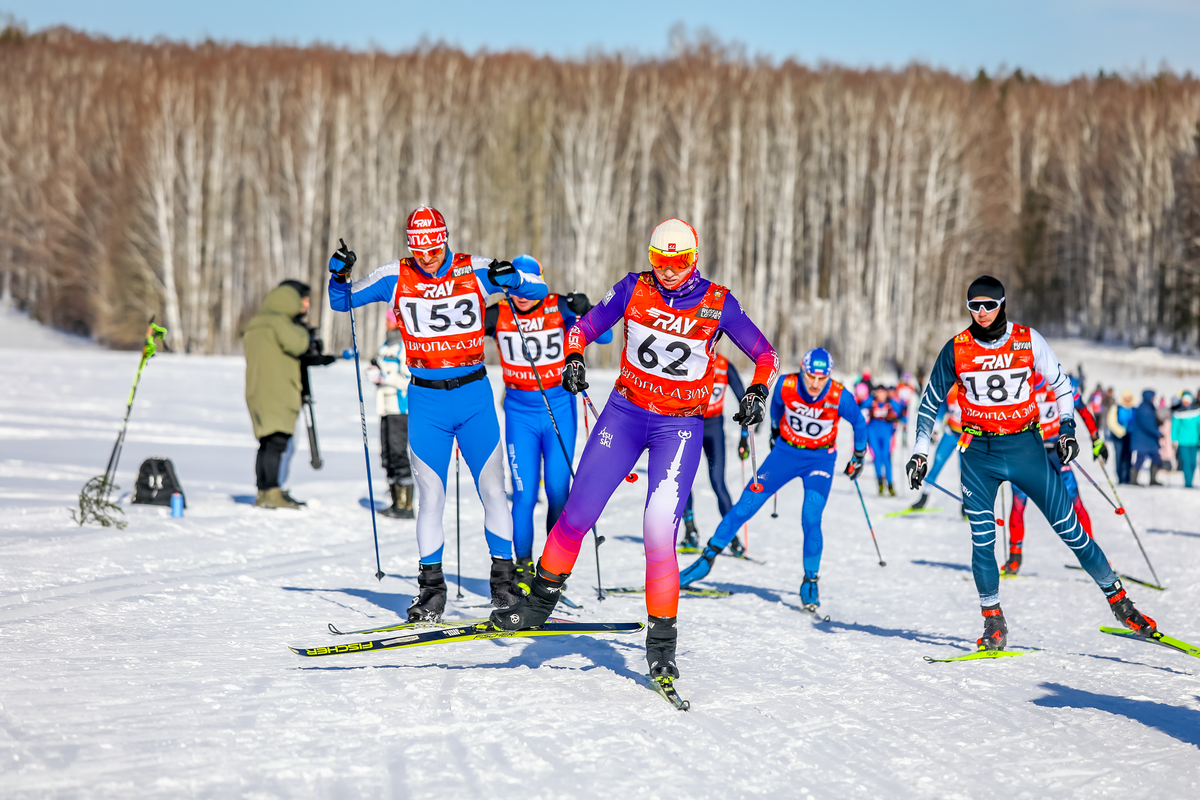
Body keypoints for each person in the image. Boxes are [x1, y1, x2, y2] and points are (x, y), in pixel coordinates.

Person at [489, 218, 779, 688]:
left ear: (694, 258)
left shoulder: (718, 302)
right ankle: (538, 604)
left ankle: (661, 644)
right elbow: (581, 328)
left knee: (657, 531)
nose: (668, 270)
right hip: (623, 415)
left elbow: (766, 355)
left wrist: (757, 392)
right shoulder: (633, 287)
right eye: (659, 260)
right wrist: (574, 358)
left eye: (678, 261)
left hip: (679, 427)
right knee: (577, 513)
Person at [906, 275, 1157, 651]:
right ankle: (993, 621)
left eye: (989, 305)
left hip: (1025, 447)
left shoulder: (1028, 339)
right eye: (975, 306)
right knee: (982, 541)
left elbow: (1062, 385)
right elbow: (930, 402)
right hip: (978, 454)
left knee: (1071, 530)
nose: (982, 313)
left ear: (1002, 304)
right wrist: (919, 451)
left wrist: (1068, 427)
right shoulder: (956, 349)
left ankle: (1121, 604)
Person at [327, 206, 548, 621]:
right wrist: (338, 274)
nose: (427, 257)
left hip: (474, 396)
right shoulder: (396, 275)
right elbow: (342, 301)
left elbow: (538, 290)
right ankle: (431, 591)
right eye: (418, 249)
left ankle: (503, 585)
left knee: (493, 490)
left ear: (444, 239)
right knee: (430, 498)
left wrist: (513, 279)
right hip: (427, 401)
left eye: (433, 248)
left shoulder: (474, 268)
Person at [678, 347, 868, 612]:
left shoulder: (839, 395)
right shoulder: (787, 384)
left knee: (811, 516)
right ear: (802, 370)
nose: (815, 384)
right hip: (785, 454)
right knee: (746, 504)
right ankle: (706, 560)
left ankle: (810, 581)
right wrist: (776, 431)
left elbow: (859, 423)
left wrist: (858, 455)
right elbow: (777, 406)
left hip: (820, 460)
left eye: (822, 378)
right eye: (810, 376)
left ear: (829, 376)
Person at [482, 254, 612, 592]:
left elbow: (606, 338)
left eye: (528, 286)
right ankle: (522, 568)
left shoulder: (560, 306)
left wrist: (587, 308)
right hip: (519, 412)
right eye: (515, 287)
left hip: (559, 409)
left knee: (557, 493)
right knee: (524, 495)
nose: (522, 295)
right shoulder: (499, 312)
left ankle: (551, 569)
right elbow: (461, 335)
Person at [1001, 371, 1108, 575]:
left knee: (1075, 501)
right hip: (1027, 452)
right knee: (1018, 503)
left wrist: (1096, 439)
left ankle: (1093, 555)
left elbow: (1082, 409)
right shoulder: (1016, 384)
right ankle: (1015, 558)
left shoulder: (1059, 381)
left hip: (1055, 451)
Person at [244, 280, 316, 510]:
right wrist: (305, 334)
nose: (305, 305)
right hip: (278, 392)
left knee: (266, 443)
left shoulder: (256, 323)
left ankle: (263, 492)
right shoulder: (278, 323)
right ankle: (273, 493)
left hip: (257, 390)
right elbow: (297, 344)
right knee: (277, 443)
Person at [678, 350, 748, 554]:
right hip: (689, 425)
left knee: (718, 483)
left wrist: (744, 436)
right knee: (682, 481)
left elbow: (744, 400)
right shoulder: (687, 360)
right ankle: (690, 531)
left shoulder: (724, 366)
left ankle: (731, 537)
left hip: (714, 429)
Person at [368, 311, 414, 519]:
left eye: (389, 319)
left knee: (398, 454)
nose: (386, 323)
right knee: (386, 456)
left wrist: (383, 377)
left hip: (399, 408)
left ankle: (406, 506)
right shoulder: (385, 346)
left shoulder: (404, 346)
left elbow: (409, 380)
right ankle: (396, 502)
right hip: (384, 408)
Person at [906, 383, 964, 513]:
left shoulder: (973, 388)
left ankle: (966, 504)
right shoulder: (952, 390)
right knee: (937, 463)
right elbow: (941, 410)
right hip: (950, 434)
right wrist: (935, 430)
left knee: (965, 471)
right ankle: (924, 497)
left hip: (966, 438)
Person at [863, 384, 901, 495]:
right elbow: (862, 406)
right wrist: (871, 397)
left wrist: (901, 418)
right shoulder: (872, 401)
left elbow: (900, 410)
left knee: (886, 456)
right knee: (877, 457)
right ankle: (880, 483)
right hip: (872, 431)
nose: (880, 395)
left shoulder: (890, 402)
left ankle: (890, 484)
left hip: (886, 431)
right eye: (878, 393)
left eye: (882, 393)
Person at [1130, 389, 1163, 486]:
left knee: (1156, 457)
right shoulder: (1143, 408)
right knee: (1140, 459)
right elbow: (1147, 425)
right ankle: (1133, 480)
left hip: (1149, 440)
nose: (1154, 399)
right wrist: (1157, 433)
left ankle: (1153, 480)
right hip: (1142, 439)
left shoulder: (1149, 407)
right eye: (1153, 397)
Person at [1171, 392, 1199, 488]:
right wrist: (1174, 439)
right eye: (1185, 401)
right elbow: (1175, 428)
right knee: (1186, 462)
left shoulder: (1196, 412)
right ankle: (1188, 483)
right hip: (1183, 442)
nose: (1186, 403)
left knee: (1193, 463)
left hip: (1194, 442)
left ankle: (1191, 480)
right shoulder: (1178, 413)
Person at [1107, 389, 1135, 484]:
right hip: (1118, 436)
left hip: (1130, 436)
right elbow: (1111, 422)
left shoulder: (1133, 409)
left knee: (1128, 456)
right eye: (1126, 398)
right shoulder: (1116, 408)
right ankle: (1120, 476)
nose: (1127, 400)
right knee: (1119, 456)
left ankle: (1127, 476)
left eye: (1129, 398)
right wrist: (1120, 431)